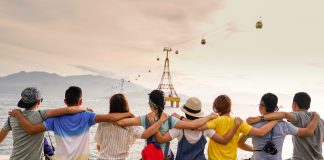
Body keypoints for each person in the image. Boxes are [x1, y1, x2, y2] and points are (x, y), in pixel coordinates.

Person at [9, 86, 133, 160]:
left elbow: (31, 130)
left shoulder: (54, 119)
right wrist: (128, 114)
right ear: (81, 102)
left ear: (65, 101)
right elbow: (110, 118)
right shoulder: (87, 116)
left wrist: (19, 115)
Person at [116, 90, 217, 159]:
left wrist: (128, 114)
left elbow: (120, 122)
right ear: (164, 104)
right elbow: (192, 125)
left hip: (149, 157)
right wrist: (208, 117)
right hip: (165, 157)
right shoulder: (170, 120)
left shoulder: (145, 118)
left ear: (150, 104)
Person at [0, 87, 85, 160]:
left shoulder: (12, 117)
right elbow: (69, 110)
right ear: (39, 102)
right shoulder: (41, 115)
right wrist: (84, 109)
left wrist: (18, 115)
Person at [151, 97, 243, 160]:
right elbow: (224, 141)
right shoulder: (206, 129)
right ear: (198, 113)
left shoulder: (179, 128)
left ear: (185, 113)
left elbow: (161, 140)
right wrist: (236, 126)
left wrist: (154, 124)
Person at [238, 93, 320, 160]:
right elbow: (307, 132)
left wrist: (256, 150)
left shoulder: (253, 124)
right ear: (275, 108)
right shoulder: (284, 125)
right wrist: (316, 117)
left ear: (261, 107)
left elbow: (240, 144)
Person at [198, 95, 278, 160]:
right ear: (229, 107)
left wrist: (208, 117)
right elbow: (261, 132)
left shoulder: (215, 120)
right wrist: (275, 120)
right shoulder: (238, 122)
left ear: (215, 107)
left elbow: (198, 126)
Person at [94, 93, 169, 160]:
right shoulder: (129, 124)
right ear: (125, 106)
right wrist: (160, 121)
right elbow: (145, 135)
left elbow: (99, 146)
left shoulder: (103, 123)